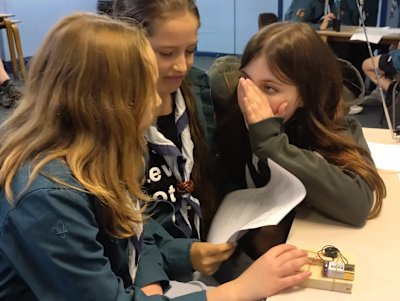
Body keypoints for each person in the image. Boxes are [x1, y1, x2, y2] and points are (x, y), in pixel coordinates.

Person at [0, 12, 312, 301]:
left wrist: (149, 283)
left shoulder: (105, 151)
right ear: (106, 103)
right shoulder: (46, 197)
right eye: (146, 88)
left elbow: (135, 223)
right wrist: (238, 290)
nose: (156, 100)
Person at [209, 22, 386, 262]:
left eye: (270, 88)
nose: (252, 98)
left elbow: (358, 205)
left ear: (304, 96)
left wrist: (271, 143)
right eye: (247, 80)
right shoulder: (230, 111)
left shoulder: (330, 122)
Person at [113, 0, 236, 289]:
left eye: (191, 50)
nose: (182, 65)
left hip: (201, 248)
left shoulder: (196, 87)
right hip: (142, 264)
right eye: (166, 53)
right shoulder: (111, 111)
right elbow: (122, 212)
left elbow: (212, 169)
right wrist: (181, 254)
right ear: (129, 47)